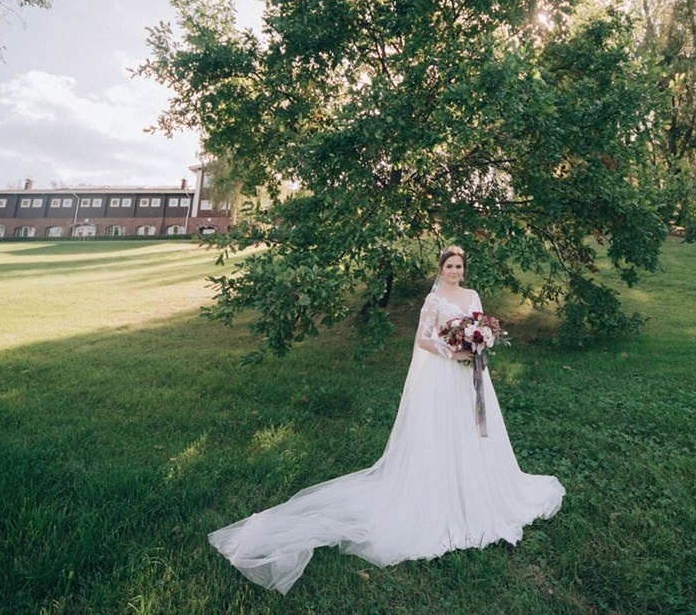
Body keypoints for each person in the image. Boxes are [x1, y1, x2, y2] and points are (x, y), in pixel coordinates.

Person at [208, 245, 565, 593]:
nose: (455, 272)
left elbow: (479, 329)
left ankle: (479, 486)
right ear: (441, 269)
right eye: (450, 266)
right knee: (440, 434)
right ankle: (439, 488)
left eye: (459, 267)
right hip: (443, 375)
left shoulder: (472, 296)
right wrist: (450, 350)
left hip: (469, 376)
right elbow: (423, 339)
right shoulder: (434, 300)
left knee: (472, 432)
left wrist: (477, 344)